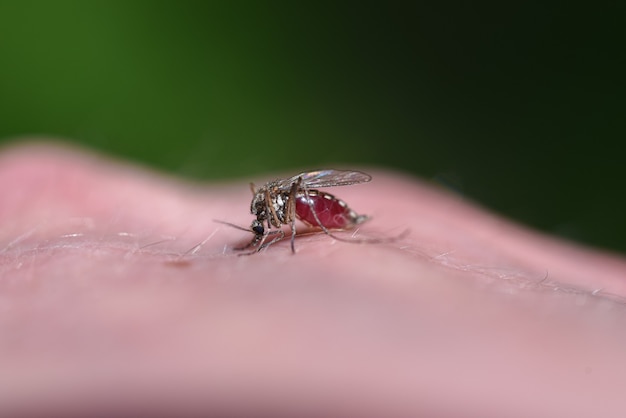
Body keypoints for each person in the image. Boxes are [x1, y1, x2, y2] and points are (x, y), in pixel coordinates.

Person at [1, 141, 625, 417]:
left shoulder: (288, 201)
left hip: (323, 203)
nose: (259, 222)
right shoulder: (268, 205)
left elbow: (295, 197)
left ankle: (349, 225)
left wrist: (318, 228)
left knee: (305, 204)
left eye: (262, 221)